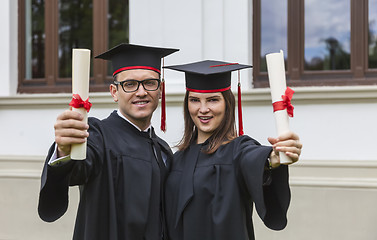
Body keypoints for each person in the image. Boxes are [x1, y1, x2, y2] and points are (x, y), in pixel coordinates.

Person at [37, 43, 179, 240]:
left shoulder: (162, 151)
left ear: (160, 90)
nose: (141, 92)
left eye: (150, 83)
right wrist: (64, 150)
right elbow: (79, 168)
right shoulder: (97, 135)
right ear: (114, 92)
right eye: (129, 84)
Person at [163, 60, 303, 240]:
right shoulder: (177, 159)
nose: (203, 109)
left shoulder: (237, 150)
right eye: (194, 100)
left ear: (227, 104)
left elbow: (254, 158)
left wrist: (273, 158)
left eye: (213, 100)